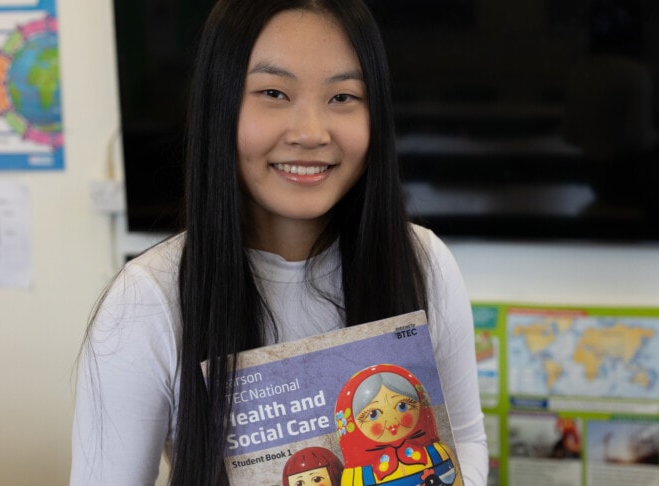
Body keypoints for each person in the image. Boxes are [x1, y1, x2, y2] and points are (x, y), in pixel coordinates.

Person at [70, 0, 488, 485]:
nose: (310, 133)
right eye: (273, 92)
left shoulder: (423, 261)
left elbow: (465, 439)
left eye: (343, 97)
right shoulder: (146, 300)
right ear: (220, 105)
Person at [335, 364, 462, 485]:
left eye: (402, 406)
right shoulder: (357, 475)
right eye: (373, 414)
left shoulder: (436, 454)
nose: (392, 424)